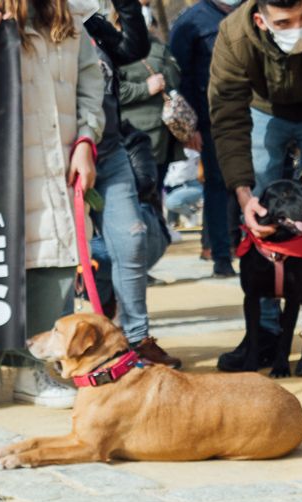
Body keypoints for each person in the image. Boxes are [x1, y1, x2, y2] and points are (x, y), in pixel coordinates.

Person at [0, 0, 106, 414]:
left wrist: (86, 140)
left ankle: (31, 371)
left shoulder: (70, 21)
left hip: (59, 160)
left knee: (53, 260)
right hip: (0, 168)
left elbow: (91, 86)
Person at [208, 0, 302, 377]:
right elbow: (228, 117)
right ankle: (263, 331)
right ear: (261, 20)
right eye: (284, 22)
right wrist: (243, 193)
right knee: (260, 218)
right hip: (262, 110)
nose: (299, 27)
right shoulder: (233, 35)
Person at [84, 0, 178, 369]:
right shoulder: (32, 23)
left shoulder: (89, 22)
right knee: (58, 258)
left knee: (133, 239)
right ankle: (46, 348)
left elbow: (132, 49)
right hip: (57, 158)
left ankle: (137, 340)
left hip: (110, 153)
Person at [171, 0, 240, 277]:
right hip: (211, 119)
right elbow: (180, 75)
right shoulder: (191, 21)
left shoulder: (254, 11)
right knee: (217, 184)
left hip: (253, 112)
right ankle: (221, 254)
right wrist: (192, 126)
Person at [119, 4, 183, 180]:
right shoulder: (114, 47)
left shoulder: (155, 43)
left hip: (166, 135)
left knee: (157, 189)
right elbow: (111, 90)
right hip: (139, 138)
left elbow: (174, 77)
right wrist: (145, 89)